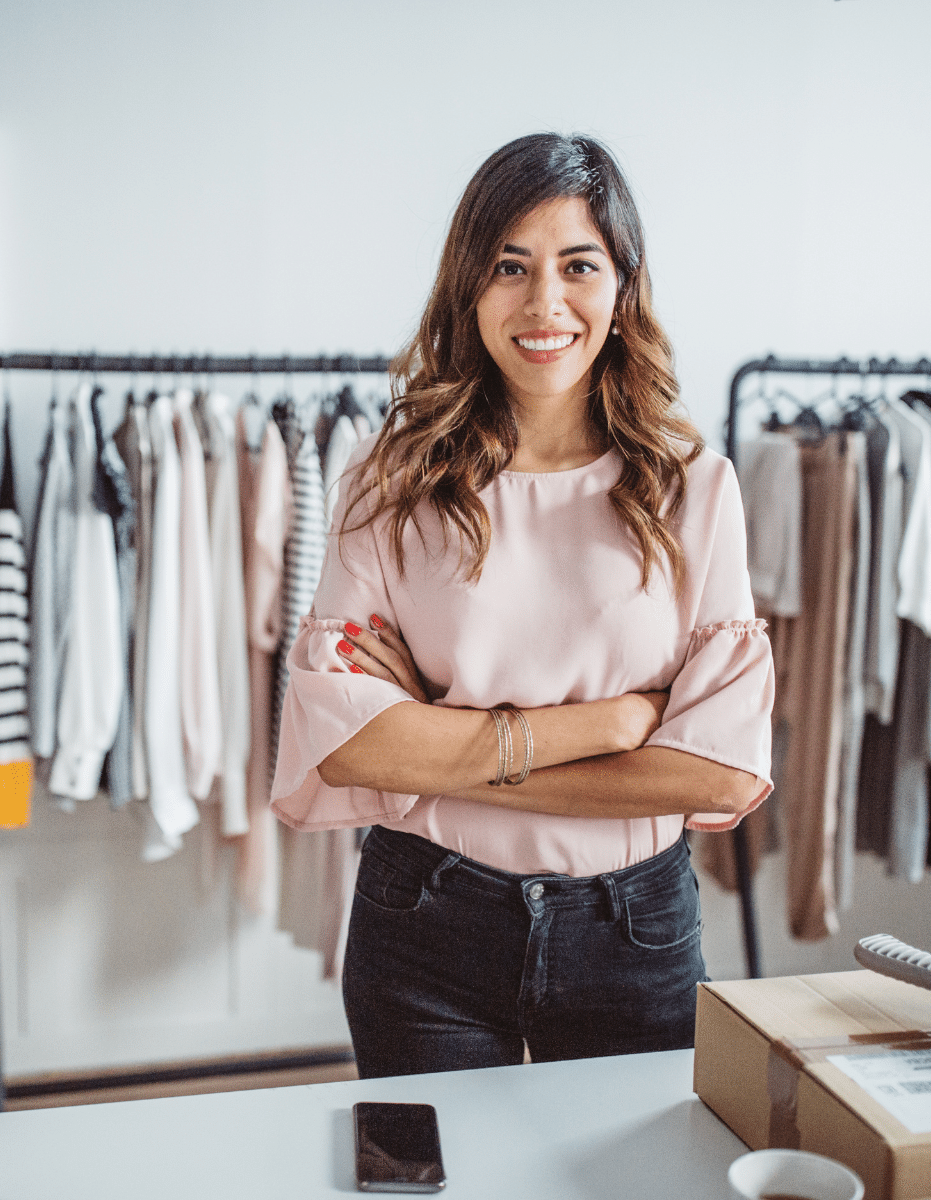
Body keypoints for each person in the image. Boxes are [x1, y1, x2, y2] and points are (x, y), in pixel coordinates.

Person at [270, 132, 774, 1079]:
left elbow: (722, 777)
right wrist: (617, 724)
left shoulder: (694, 489)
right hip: (425, 921)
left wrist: (435, 737)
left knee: (637, 1177)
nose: (545, 303)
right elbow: (342, 741)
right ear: (469, 287)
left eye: (578, 265)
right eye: (510, 267)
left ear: (622, 289)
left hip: (633, 927)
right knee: (442, 1181)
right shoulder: (393, 481)